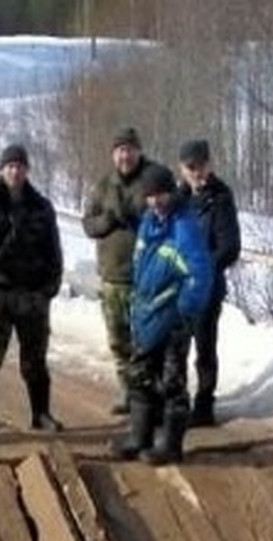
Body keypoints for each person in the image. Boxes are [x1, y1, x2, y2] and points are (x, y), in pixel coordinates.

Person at [115, 163, 213, 465]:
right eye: (151, 195)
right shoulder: (148, 222)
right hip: (147, 311)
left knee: (172, 379)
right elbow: (140, 262)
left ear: (171, 193)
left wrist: (185, 309)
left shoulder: (184, 225)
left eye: (161, 194)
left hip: (173, 315)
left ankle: (171, 445)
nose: (156, 200)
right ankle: (140, 436)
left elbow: (200, 273)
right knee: (141, 375)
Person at [0, 143, 64, 433]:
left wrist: (50, 287)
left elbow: (54, 250)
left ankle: (41, 414)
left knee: (35, 360)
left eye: (20, 166)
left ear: (27, 170)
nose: (16, 171)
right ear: (1, 170)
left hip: (32, 296)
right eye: (10, 166)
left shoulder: (41, 206)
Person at [82, 127, 163, 415]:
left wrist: (138, 217)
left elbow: (168, 214)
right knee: (119, 341)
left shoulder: (153, 178)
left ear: (138, 150)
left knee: (148, 341)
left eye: (129, 149)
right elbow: (88, 224)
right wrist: (109, 220)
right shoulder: (104, 185)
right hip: (112, 277)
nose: (125, 155)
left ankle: (151, 396)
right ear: (113, 154)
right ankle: (129, 392)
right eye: (119, 150)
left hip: (146, 278)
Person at [176, 139, 242, 427]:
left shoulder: (221, 197)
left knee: (205, 348)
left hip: (206, 288)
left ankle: (204, 406)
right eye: (191, 167)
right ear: (181, 169)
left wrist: (201, 268)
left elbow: (230, 246)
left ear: (209, 165)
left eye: (201, 166)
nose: (197, 173)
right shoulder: (176, 200)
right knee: (176, 348)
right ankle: (176, 404)